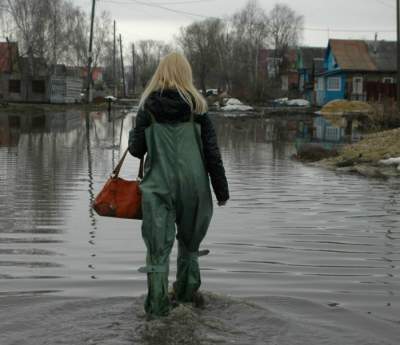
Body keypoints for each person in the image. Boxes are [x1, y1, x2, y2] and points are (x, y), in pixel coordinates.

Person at [128, 52, 229, 317]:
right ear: (187, 74)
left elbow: (136, 150)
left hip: (158, 187)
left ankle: (157, 311)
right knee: (189, 247)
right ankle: (186, 302)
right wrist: (222, 191)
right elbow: (212, 154)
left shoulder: (147, 108)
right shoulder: (199, 109)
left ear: (159, 73)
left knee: (158, 252)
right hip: (194, 187)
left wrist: (134, 130)